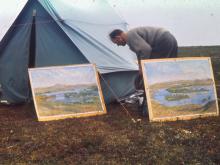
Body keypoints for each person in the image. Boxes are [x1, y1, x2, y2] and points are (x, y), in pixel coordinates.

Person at [109, 26, 178, 116]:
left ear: (118, 37)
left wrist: (144, 68)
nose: (118, 45)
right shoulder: (132, 37)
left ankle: (153, 105)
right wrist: (140, 68)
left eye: (116, 42)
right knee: (168, 69)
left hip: (163, 41)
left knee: (155, 72)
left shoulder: (130, 37)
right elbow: (140, 53)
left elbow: (146, 50)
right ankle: (170, 100)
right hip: (169, 39)